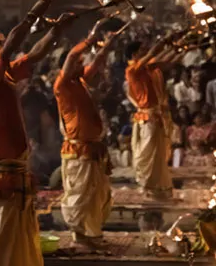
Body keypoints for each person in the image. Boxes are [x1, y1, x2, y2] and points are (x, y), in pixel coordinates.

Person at [0, 0, 69, 266]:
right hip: (1, 178)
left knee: (20, 245)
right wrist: (39, 7)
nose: (3, 47)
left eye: (2, 43)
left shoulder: (6, 73)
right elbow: (15, 42)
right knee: (1, 247)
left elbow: (34, 55)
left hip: (17, 173)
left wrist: (56, 32)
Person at [53, 21, 121, 250]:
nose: (82, 64)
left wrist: (108, 46)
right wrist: (90, 38)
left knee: (96, 194)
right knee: (80, 195)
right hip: (78, 151)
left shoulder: (79, 81)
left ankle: (92, 233)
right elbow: (72, 56)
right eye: (78, 63)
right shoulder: (62, 84)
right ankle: (80, 236)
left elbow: (98, 62)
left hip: (92, 149)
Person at [125, 36, 178, 199]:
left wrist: (178, 47)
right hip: (148, 117)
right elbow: (154, 54)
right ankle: (147, 186)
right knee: (148, 154)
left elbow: (166, 61)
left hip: (157, 116)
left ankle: (157, 189)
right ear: (134, 55)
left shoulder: (148, 68)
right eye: (142, 50)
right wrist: (163, 42)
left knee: (158, 155)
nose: (146, 52)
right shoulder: (132, 70)